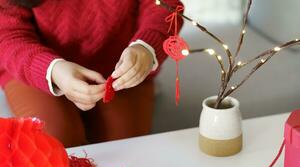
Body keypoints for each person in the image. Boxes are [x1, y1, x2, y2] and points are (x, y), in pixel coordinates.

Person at [0, 0, 183, 147]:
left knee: (123, 152)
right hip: (32, 67)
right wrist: (52, 70)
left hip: (118, 67)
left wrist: (146, 48)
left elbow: (167, 7)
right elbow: (8, 35)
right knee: (54, 145)